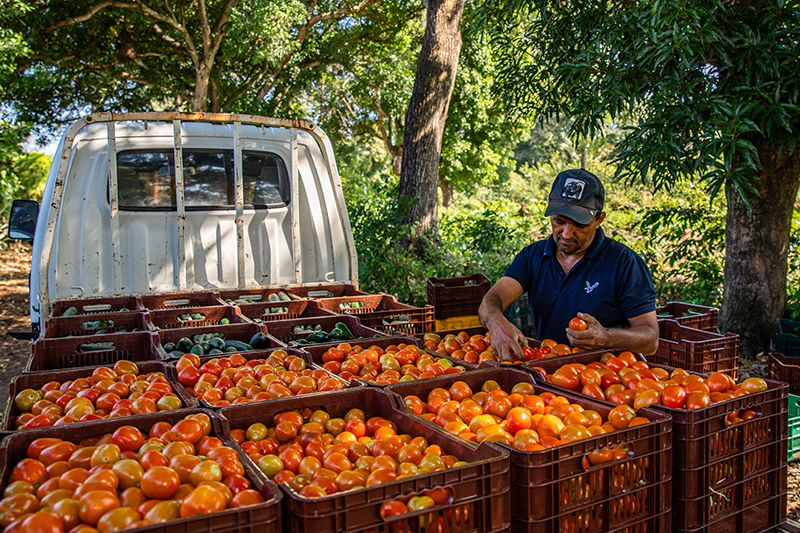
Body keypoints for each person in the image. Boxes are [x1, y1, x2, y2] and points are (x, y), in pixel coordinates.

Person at [479, 169, 659, 362]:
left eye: (579, 225)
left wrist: (606, 337)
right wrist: (496, 321)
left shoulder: (624, 263)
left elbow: (650, 339)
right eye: (559, 221)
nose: (566, 234)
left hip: (604, 378)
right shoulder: (533, 257)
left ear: (599, 219)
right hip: (545, 375)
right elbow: (493, 299)